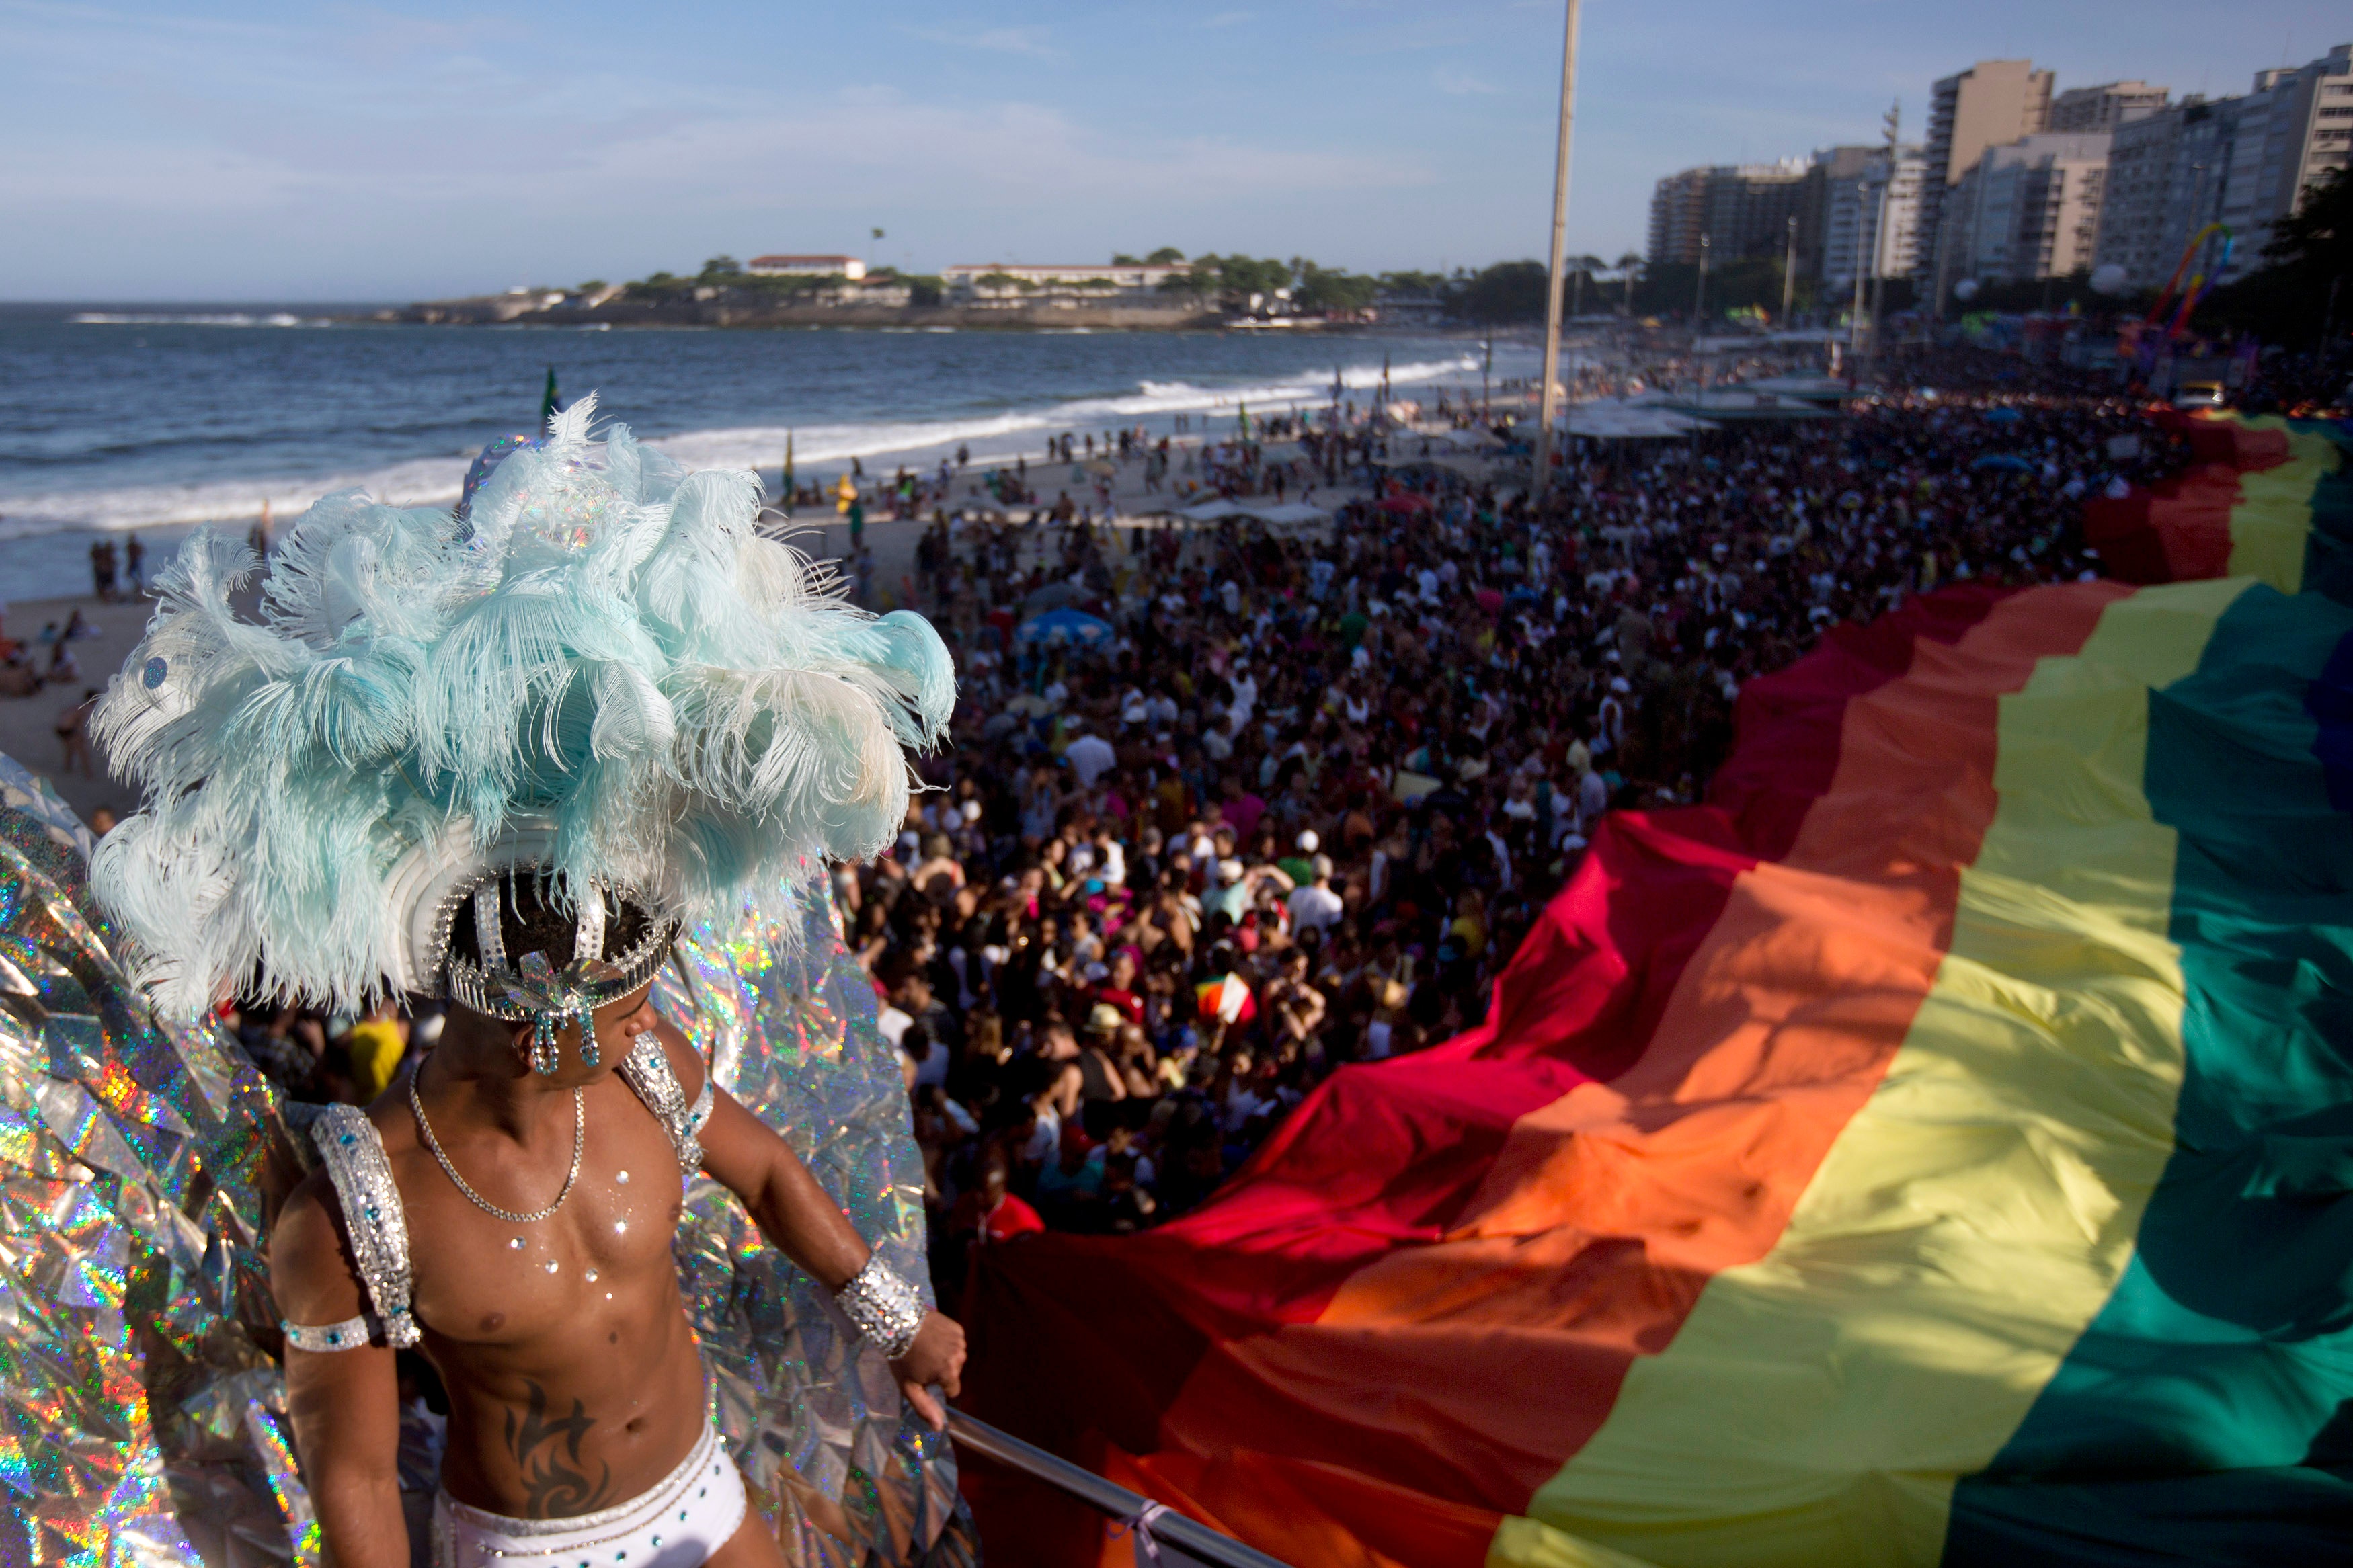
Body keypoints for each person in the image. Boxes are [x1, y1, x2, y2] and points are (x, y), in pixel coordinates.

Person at [91, 399, 966, 1568]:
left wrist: (896, 1321)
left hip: (705, 1492)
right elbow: (350, 1473)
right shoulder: (358, 1213)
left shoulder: (648, 1074)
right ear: (534, 1022)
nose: (651, 1007)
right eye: (626, 995)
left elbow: (764, 1171)